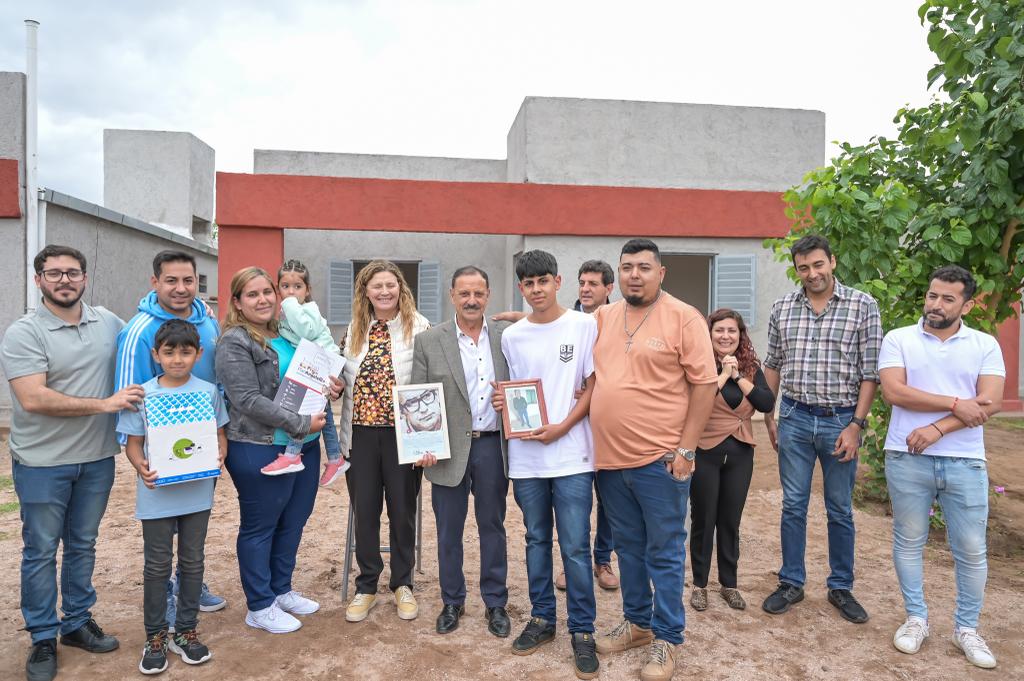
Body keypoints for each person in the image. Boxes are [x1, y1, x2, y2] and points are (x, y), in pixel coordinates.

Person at [2, 245, 142, 681]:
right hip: (42, 462)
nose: (64, 280)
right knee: (41, 550)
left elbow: (150, 342)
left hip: (97, 459)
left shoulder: (108, 322)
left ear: (84, 278)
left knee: (83, 544)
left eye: (73, 272)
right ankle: (43, 636)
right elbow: (32, 397)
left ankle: (77, 623)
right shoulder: (24, 332)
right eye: (54, 273)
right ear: (39, 279)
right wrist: (105, 405)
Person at [590, 238, 717, 681]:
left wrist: (686, 450)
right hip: (610, 462)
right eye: (627, 267)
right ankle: (638, 624)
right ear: (618, 274)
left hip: (661, 461)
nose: (634, 275)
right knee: (627, 549)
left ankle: (667, 638)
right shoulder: (604, 316)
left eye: (644, 267)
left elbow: (705, 386)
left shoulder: (684, 317)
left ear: (661, 273)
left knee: (664, 551)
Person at [878, 265, 1004, 669]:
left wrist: (937, 428)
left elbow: (990, 402)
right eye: (933, 295)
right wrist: (953, 404)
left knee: (970, 549)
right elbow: (895, 391)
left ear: (967, 304)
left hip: (965, 459)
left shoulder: (984, 345)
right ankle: (916, 618)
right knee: (909, 540)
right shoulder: (899, 339)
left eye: (947, 298)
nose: (936, 304)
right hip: (906, 456)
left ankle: (966, 628)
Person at [761, 234, 882, 624]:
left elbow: (870, 373)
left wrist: (856, 425)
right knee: (793, 505)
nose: (812, 273)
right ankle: (791, 582)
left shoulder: (863, 306)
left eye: (818, 264)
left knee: (840, 509)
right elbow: (774, 362)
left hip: (840, 421)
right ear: (796, 269)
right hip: (794, 417)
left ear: (832, 261)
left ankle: (841, 586)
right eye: (803, 268)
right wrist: (769, 413)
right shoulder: (783, 307)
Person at [496, 250, 600, 681]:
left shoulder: (584, 325)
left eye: (543, 281)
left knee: (575, 546)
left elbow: (593, 385)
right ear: (521, 287)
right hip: (527, 459)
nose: (536, 289)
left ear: (558, 282)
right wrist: (505, 402)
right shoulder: (512, 337)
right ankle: (542, 619)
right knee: (536, 539)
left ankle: (582, 630)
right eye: (528, 283)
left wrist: (563, 427)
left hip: (573, 454)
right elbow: (515, 392)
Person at [215, 267, 336, 634]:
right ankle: (259, 604)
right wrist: (300, 424)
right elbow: (247, 398)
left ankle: (280, 589)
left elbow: (313, 375)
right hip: (259, 447)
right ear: (237, 302)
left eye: (267, 291)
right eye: (252, 294)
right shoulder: (235, 341)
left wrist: (333, 385)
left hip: (305, 447)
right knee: (260, 526)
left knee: (293, 521)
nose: (263, 299)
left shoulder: (284, 333)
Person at [114, 250, 228, 620]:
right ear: (155, 283)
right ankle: (163, 592)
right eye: (171, 281)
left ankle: (187, 584)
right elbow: (130, 399)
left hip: (203, 446)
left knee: (195, 532)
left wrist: (218, 443)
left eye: (188, 281)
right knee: (161, 539)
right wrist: (141, 461)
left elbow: (216, 381)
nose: (181, 289)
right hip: (159, 457)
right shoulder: (139, 332)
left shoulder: (206, 322)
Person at [117, 320, 229, 674]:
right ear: (156, 354)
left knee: (193, 562)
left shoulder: (209, 391)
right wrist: (142, 468)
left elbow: (219, 434)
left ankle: (186, 632)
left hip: (197, 493)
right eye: (169, 352)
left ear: (198, 354)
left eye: (185, 352)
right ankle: (155, 637)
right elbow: (133, 445)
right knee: (157, 565)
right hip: (157, 494)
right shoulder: (143, 394)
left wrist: (220, 454)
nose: (177, 359)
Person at [411, 265, 513, 638]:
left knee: (493, 526)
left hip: (491, 447)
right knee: (448, 531)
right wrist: (422, 445)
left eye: (479, 294)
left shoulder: (506, 335)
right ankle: (452, 600)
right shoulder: (429, 340)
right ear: (452, 296)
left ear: (488, 296)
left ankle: (496, 602)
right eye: (464, 293)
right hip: (447, 451)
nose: (472, 300)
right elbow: (418, 397)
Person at [339, 260, 432, 623]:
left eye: (390, 285)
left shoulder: (419, 328)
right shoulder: (353, 330)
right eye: (376, 286)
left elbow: (429, 385)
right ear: (365, 291)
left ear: (400, 288)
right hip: (360, 434)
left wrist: (429, 441)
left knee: (402, 511)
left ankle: (402, 584)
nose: (384, 292)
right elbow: (341, 382)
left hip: (402, 437)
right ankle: (366, 587)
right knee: (365, 512)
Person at [689, 309, 774, 612]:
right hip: (705, 451)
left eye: (732, 331)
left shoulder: (750, 367)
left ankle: (729, 584)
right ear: (708, 335)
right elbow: (694, 402)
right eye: (719, 331)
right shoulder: (698, 366)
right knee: (704, 519)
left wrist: (737, 375)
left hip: (740, 452)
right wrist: (723, 375)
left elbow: (766, 402)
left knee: (730, 521)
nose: (726, 336)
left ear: (740, 336)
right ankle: (699, 585)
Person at [557, 259, 619, 593]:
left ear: (609, 288)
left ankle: (602, 559)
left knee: (608, 498)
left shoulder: (621, 323)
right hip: (573, 423)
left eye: (593, 283)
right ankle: (572, 561)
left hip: (608, 422)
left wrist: (598, 389)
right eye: (582, 282)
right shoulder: (566, 321)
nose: (585, 288)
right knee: (575, 500)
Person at [260, 259, 349, 486]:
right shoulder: (285, 312)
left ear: (307, 290)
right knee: (323, 411)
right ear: (277, 287)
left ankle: (292, 454)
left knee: (303, 405)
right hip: (313, 358)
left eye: (297, 287)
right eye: (285, 286)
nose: (291, 291)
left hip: (321, 358)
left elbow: (306, 331)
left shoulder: (308, 309)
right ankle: (335, 457)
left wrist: (289, 304)